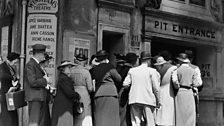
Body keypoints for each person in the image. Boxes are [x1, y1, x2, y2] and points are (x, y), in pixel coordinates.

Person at [123, 51, 161, 126]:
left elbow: (125, 84)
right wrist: (158, 100)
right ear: (148, 60)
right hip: (148, 98)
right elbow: (156, 88)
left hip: (135, 98)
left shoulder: (132, 70)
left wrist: (131, 88)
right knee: (150, 122)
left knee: (136, 122)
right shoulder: (152, 71)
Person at [90, 50, 122, 126]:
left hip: (98, 93)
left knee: (100, 115)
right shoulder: (110, 67)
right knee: (112, 115)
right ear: (106, 58)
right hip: (111, 93)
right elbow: (119, 78)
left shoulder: (95, 69)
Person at [24, 44, 52, 126]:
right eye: (44, 54)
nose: (44, 57)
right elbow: (32, 82)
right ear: (39, 54)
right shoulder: (30, 64)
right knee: (34, 122)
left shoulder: (35, 64)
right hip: (35, 97)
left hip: (39, 97)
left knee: (39, 122)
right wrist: (45, 80)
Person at [171, 53, 202, 126]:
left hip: (180, 92)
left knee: (180, 114)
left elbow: (174, 81)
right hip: (189, 92)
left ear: (180, 61)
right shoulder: (193, 70)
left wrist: (177, 86)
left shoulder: (176, 69)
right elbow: (198, 83)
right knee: (190, 114)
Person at [51, 60, 80, 126]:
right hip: (64, 106)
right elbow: (69, 92)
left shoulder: (63, 78)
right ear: (63, 69)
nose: (70, 69)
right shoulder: (64, 78)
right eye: (69, 68)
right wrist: (77, 95)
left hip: (63, 105)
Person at [71, 54, 94, 126]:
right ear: (84, 61)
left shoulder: (71, 70)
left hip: (73, 92)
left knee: (75, 112)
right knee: (85, 113)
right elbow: (90, 88)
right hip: (84, 93)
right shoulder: (86, 72)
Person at [154, 56, 176, 126]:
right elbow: (175, 81)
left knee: (160, 113)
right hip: (169, 92)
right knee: (168, 112)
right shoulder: (173, 68)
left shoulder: (156, 72)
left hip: (160, 91)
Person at [0, 52, 20, 126]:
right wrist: (13, 78)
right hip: (5, 94)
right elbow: (2, 76)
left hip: (11, 94)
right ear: (11, 60)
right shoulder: (2, 67)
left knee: (12, 114)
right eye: (15, 62)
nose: (16, 64)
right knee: (7, 115)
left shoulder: (10, 67)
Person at [119, 52, 139, 126]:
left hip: (122, 92)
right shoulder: (130, 70)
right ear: (134, 61)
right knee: (124, 114)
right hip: (125, 93)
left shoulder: (122, 68)